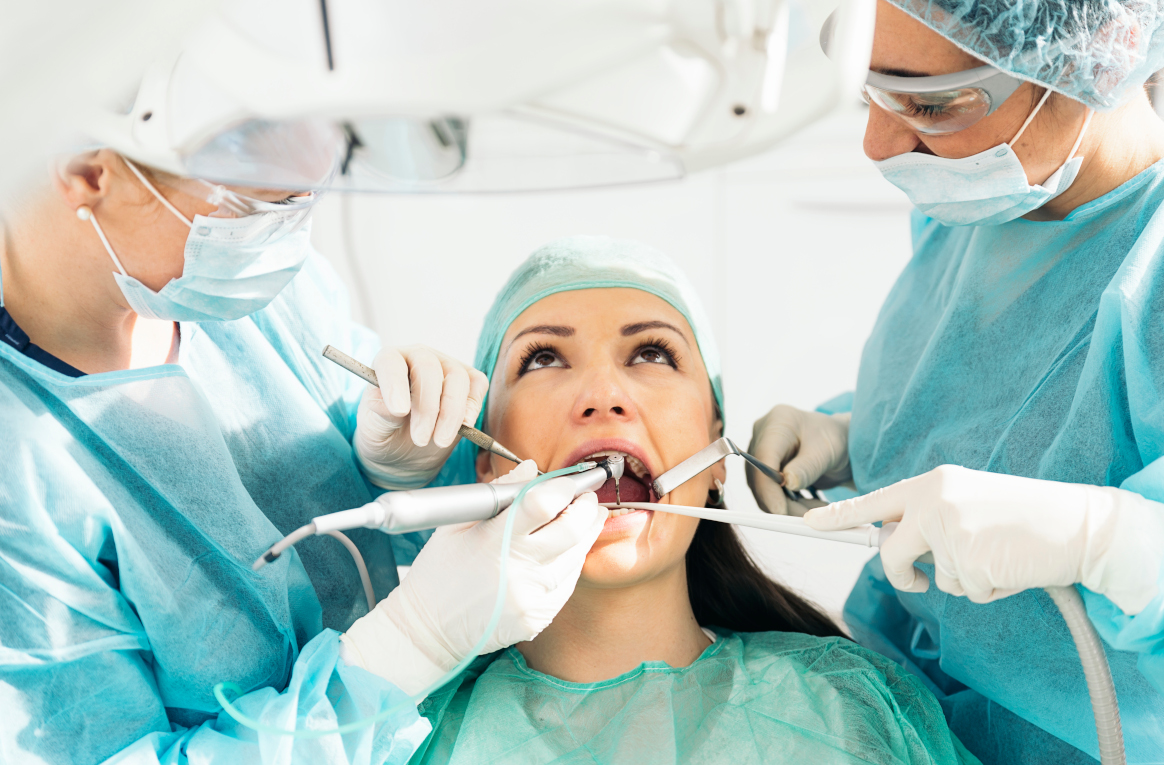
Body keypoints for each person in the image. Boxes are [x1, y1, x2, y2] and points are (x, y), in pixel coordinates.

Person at [0, 146, 604, 762]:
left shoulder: (251, 289)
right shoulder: (18, 471)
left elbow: (449, 539)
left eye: (302, 195)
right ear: (87, 170)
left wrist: (399, 474)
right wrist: (411, 646)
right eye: (254, 202)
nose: (285, 232)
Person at [748, 1, 1164, 762]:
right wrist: (852, 440)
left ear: (1105, 47)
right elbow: (983, 401)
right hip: (903, 723)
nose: (878, 144)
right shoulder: (977, 207)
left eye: (932, 104)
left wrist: (1102, 542)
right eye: (870, 91)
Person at [386, 235, 981, 764]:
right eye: (543, 358)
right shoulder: (397, 735)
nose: (603, 395)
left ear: (717, 452)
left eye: (651, 353)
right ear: (488, 460)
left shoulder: (847, 713)